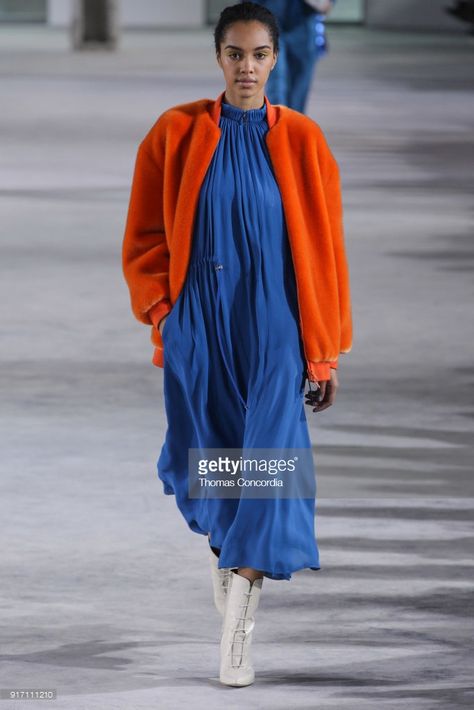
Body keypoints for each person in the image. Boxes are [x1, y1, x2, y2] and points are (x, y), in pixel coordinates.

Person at [122, 1, 352, 687]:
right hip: (200, 321)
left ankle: (238, 632)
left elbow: (326, 252)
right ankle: (230, 561)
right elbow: (143, 232)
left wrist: (324, 349)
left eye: (259, 55)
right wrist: (164, 311)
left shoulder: (305, 140)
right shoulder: (176, 132)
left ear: (276, 60)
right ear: (218, 57)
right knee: (216, 460)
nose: (247, 67)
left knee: (274, 466)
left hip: (277, 323)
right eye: (235, 54)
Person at [249, 0, 336, 113]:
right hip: (267, 22)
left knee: (298, 91)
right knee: (276, 84)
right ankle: (278, 126)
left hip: (304, 26)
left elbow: (325, 6)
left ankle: (293, 125)